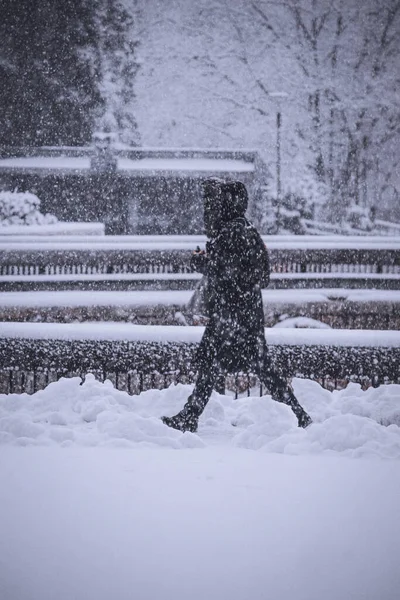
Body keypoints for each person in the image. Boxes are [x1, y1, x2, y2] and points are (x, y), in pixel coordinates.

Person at [162, 178, 312, 433]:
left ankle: (298, 416)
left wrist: (203, 265)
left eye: (214, 204)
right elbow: (257, 273)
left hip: (232, 315)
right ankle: (298, 415)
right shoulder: (246, 229)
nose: (209, 210)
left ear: (226, 204)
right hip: (244, 314)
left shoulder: (231, 232)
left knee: (216, 365)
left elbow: (227, 273)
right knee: (257, 369)